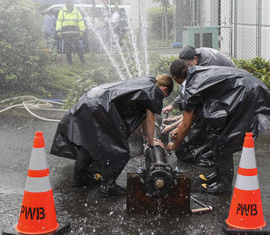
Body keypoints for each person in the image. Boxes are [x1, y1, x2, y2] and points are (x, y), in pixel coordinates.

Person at [51, 74, 173, 197]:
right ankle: (108, 187)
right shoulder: (155, 91)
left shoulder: (147, 81)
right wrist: (151, 141)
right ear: (164, 89)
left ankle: (79, 179)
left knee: (89, 143)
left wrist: (148, 138)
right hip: (102, 108)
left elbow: (143, 117)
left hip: (91, 101)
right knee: (119, 150)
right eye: (164, 96)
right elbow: (150, 118)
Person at [167, 59, 270, 194]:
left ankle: (224, 185)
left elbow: (186, 125)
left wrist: (174, 145)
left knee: (223, 140)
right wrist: (180, 129)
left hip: (248, 94)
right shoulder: (196, 72)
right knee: (214, 135)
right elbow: (194, 114)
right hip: (248, 87)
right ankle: (219, 174)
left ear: (176, 78)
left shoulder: (191, 87)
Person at [162, 46, 236, 165]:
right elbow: (190, 102)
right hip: (224, 84)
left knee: (211, 124)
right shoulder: (195, 62)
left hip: (230, 85)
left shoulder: (205, 68)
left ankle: (213, 157)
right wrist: (173, 106)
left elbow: (193, 108)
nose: (187, 68)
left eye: (187, 64)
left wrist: (178, 129)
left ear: (195, 58)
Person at [56, 0, 85, 65]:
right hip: (66, 34)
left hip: (75, 33)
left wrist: (82, 32)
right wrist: (59, 32)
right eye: (68, 2)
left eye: (70, 2)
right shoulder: (62, 11)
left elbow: (81, 22)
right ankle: (69, 63)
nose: (69, 4)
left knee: (78, 47)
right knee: (68, 48)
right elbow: (59, 22)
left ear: (72, 3)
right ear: (66, 3)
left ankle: (83, 62)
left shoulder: (77, 12)